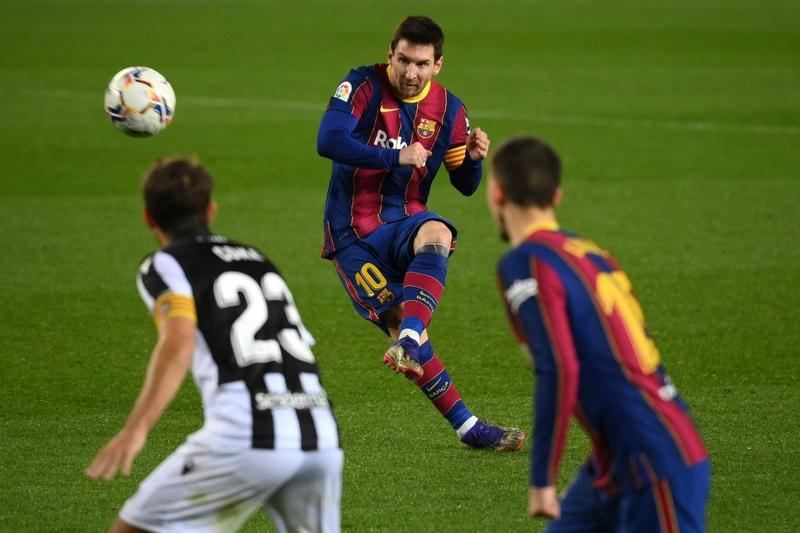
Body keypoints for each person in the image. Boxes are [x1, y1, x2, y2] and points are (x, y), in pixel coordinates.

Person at [86, 159, 342, 532]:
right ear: (210, 210)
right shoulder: (258, 261)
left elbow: (178, 341)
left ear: (148, 218)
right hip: (320, 434)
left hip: (246, 436)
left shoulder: (166, 264)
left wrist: (136, 429)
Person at [316, 15, 523, 451]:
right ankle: (469, 429)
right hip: (351, 233)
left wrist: (474, 159)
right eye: (403, 60)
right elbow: (328, 140)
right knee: (401, 324)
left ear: (438, 65)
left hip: (406, 219)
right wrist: (395, 158)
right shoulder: (362, 86)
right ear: (389, 54)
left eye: (422, 64)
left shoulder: (450, 110)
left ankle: (409, 337)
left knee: (437, 231)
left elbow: (465, 185)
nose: (411, 73)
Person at [487, 136, 710, 531]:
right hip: (617, 460)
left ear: (497, 192)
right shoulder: (589, 252)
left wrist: (542, 479)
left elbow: (558, 367)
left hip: (653, 461)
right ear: (556, 195)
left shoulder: (526, 264)